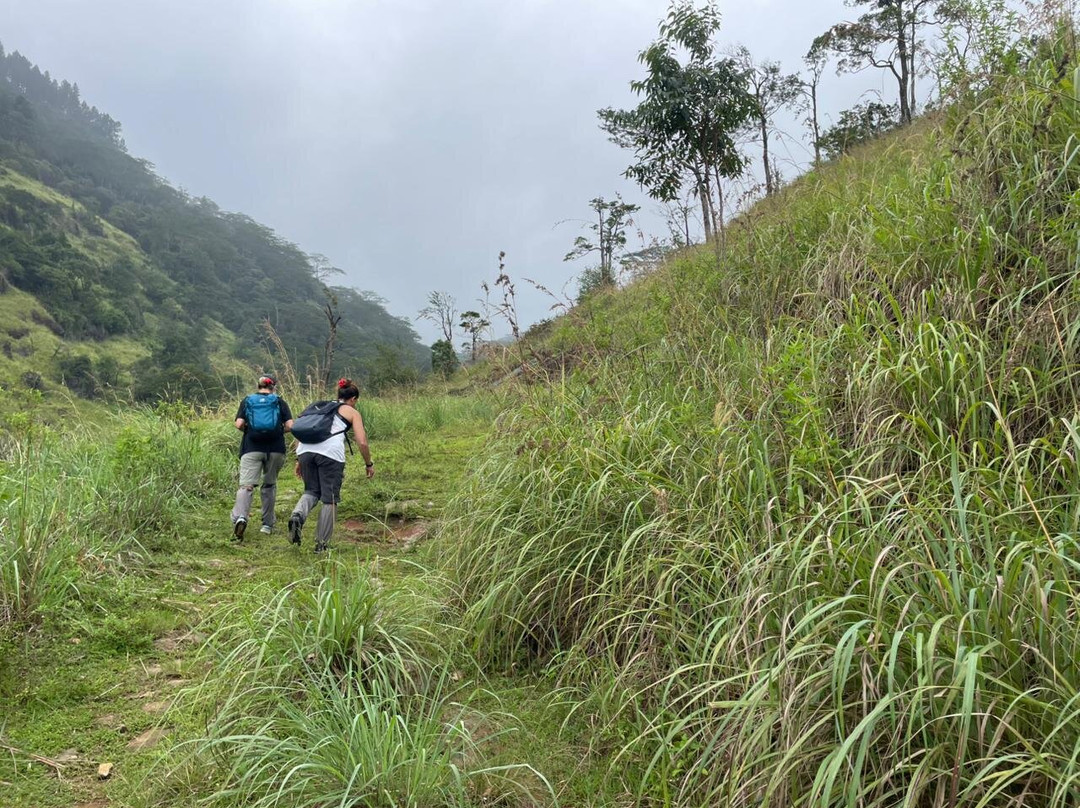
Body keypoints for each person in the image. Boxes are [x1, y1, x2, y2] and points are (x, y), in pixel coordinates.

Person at [287, 378, 374, 553]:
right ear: (354, 399)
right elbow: (362, 442)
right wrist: (368, 463)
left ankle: (297, 515)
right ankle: (321, 544)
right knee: (330, 498)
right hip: (330, 455)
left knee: (311, 491)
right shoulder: (350, 411)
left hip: (305, 451)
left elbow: (300, 431)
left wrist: (298, 460)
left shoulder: (317, 407)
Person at [230, 375, 294, 541]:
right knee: (269, 485)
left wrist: (251, 431)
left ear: (258, 386)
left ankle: (241, 518)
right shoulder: (279, 401)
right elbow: (290, 426)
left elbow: (238, 424)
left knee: (246, 486)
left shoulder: (248, 401)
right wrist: (278, 431)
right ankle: (267, 525)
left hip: (252, 448)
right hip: (276, 449)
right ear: (273, 387)